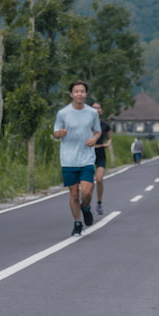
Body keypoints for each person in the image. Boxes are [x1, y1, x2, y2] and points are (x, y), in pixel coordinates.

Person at [53, 80, 102, 236]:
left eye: (82, 91)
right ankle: (77, 223)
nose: (79, 94)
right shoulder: (63, 113)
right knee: (74, 194)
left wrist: (94, 140)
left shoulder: (92, 113)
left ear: (86, 94)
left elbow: (98, 131)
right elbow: (55, 132)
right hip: (68, 159)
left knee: (86, 192)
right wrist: (58, 134)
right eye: (76, 91)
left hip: (87, 157)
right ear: (71, 94)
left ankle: (86, 207)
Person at [91, 102, 112, 215]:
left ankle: (99, 202)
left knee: (99, 179)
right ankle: (86, 203)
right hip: (88, 153)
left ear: (101, 111)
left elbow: (109, 138)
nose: (96, 110)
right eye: (94, 108)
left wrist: (107, 144)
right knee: (88, 182)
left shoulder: (105, 125)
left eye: (98, 108)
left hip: (100, 152)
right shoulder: (86, 124)